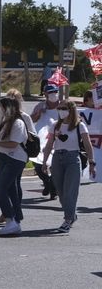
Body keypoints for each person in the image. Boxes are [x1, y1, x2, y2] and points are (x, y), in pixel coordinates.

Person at [40, 98, 94, 234]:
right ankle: (71, 214)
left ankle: (67, 219)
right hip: (58, 158)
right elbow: (49, 144)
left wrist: (92, 161)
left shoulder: (79, 126)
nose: (61, 111)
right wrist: (45, 161)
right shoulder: (55, 125)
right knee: (61, 191)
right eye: (60, 108)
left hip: (72, 159)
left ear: (71, 110)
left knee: (70, 191)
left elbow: (88, 144)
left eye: (64, 108)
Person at [0, 92, 31, 236]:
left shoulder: (18, 123)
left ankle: (10, 219)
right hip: (4, 158)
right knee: (11, 190)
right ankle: (15, 220)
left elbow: (13, 144)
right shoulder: (4, 122)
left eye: (1, 106)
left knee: (0, 189)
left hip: (15, 159)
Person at [27, 84, 63, 200]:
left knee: (55, 166)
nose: (54, 94)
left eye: (55, 92)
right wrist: (38, 114)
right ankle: (47, 182)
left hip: (58, 139)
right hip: (42, 139)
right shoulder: (40, 106)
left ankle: (53, 190)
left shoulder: (63, 105)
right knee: (38, 165)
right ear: (46, 94)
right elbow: (31, 120)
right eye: (51, 92)